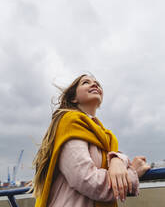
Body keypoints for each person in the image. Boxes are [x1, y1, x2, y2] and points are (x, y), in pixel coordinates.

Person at [32, 74, 150, 207]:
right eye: (85, 82)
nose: (95, 84)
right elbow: (88, 181)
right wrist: (132, 173)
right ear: (73, 98)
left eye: (97, 83)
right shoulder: (70, 122)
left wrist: (116, 160)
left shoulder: (104, 134)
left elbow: (110, 155)